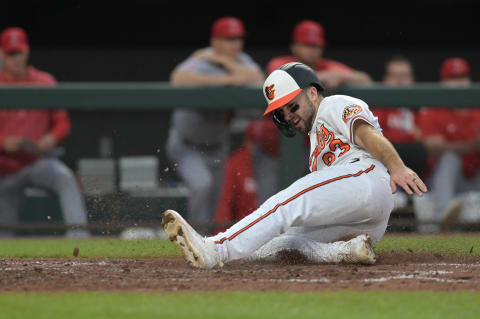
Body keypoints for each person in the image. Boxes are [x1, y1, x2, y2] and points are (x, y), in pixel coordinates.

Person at [162, 62, 427, 269]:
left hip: (367, 178)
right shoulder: (314, 143)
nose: (289, 116)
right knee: (285, 242)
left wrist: (397, 167)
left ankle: (216, 249)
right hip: (367, 218)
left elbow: (369, 136)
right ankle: (343, 251)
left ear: (312, 92)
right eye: (281, 113)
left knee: (285, 203)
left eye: (293, 106)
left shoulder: (334, 105)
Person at [166, 17, 264, 235]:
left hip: (218, 147)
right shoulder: (202, 60)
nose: (235, 44)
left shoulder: (241, 61)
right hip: (186, 144)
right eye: (229, 39)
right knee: (201, 185)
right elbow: (178, 78)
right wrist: (226, 81)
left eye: (238, 39)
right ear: (215, 41)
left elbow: (259, 78)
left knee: (215, 201)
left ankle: (205, 244)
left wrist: (228, 64)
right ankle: (192, 239)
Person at [0, 27, 90, 237]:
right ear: (2, 55)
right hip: (4, 168)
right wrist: (3, 142)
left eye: (18, 52)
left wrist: (51, 138)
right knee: (4, 235)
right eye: (10, 54)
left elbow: (62, 123)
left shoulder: (44, 81)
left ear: (27, 51)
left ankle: (80, 240)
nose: (15, 59)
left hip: (36, 160)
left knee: (65, 177)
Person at [416, 57, 480, 231]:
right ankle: (443, 211)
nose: (459, 83)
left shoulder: (477, 107)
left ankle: (455, 211)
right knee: (451, 157)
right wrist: (471, 145)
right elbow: (434, 146)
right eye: (453, 78)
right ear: (443, 82)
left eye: (462, 77)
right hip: (442, 181)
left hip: (474, 177)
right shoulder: (433, 109)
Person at [372, 56, 428, 211]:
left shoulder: (422, 104)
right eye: (394, 76)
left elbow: (429, 140)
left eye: (404, 76)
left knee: (420, 152)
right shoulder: (379, 105)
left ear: (412, 79)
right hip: (384, 169)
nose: (399, 81)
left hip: (420, 171)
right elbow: (377, 138)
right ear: (386, 79)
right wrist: (410, 136)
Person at [214, 117, 280, 233]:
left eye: (260, 145)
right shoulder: (237, 163)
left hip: (274, 229)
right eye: (253, 142)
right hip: (245, 231)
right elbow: (226, 202)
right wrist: (220, 236)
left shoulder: (277, 163)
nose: (256, 149)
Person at [266, 20, 372, 90]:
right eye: (307, 45)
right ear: (294, 47)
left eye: (316, 46)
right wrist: (321, 77)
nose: (312, 50)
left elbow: (365, 79)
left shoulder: (326, 66)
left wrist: (341, 77)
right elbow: (281, 77)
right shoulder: (281, 62)